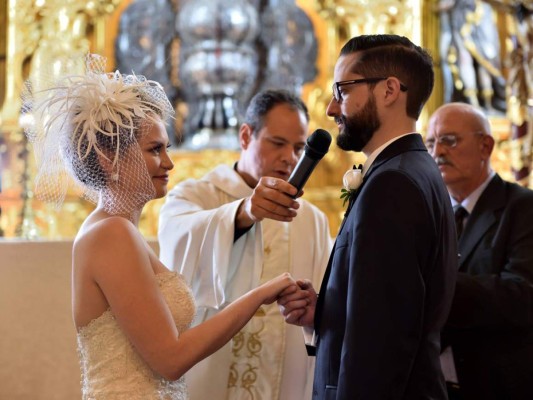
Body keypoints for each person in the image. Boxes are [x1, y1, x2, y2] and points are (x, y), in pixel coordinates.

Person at [23, 54, 298, 399]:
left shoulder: (116, 229)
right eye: (155, 150)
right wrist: (261, 294)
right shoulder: (111, 233)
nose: (168, 162)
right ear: (109, 158)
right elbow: (171, 358)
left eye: (167, 148)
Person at [277, 34, 458, 399]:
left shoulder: (393, 183)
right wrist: (327, 312)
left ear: (389, 90)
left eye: (343, 90)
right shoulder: (413, 169)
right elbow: (391, 308)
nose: (330, 107)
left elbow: (381, 343)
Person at [158, 89, 332, 400]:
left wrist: (310, 306)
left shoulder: (313, 220)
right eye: (277, 143)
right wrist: (243, 213)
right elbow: (176, 243)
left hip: (283, 378)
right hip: (207, 376)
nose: (289, 158)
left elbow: (322, 313)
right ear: (245, 136)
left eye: (298, 148)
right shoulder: (196, 195)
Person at [426, 102, 533, 400]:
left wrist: (434, 283)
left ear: (485, 146)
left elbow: (522, 294)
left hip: (501, 383)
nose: (437, 153)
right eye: (431, 142)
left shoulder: (522, 208)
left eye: (449, 140)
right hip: (436, 387)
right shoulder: (429, 215)